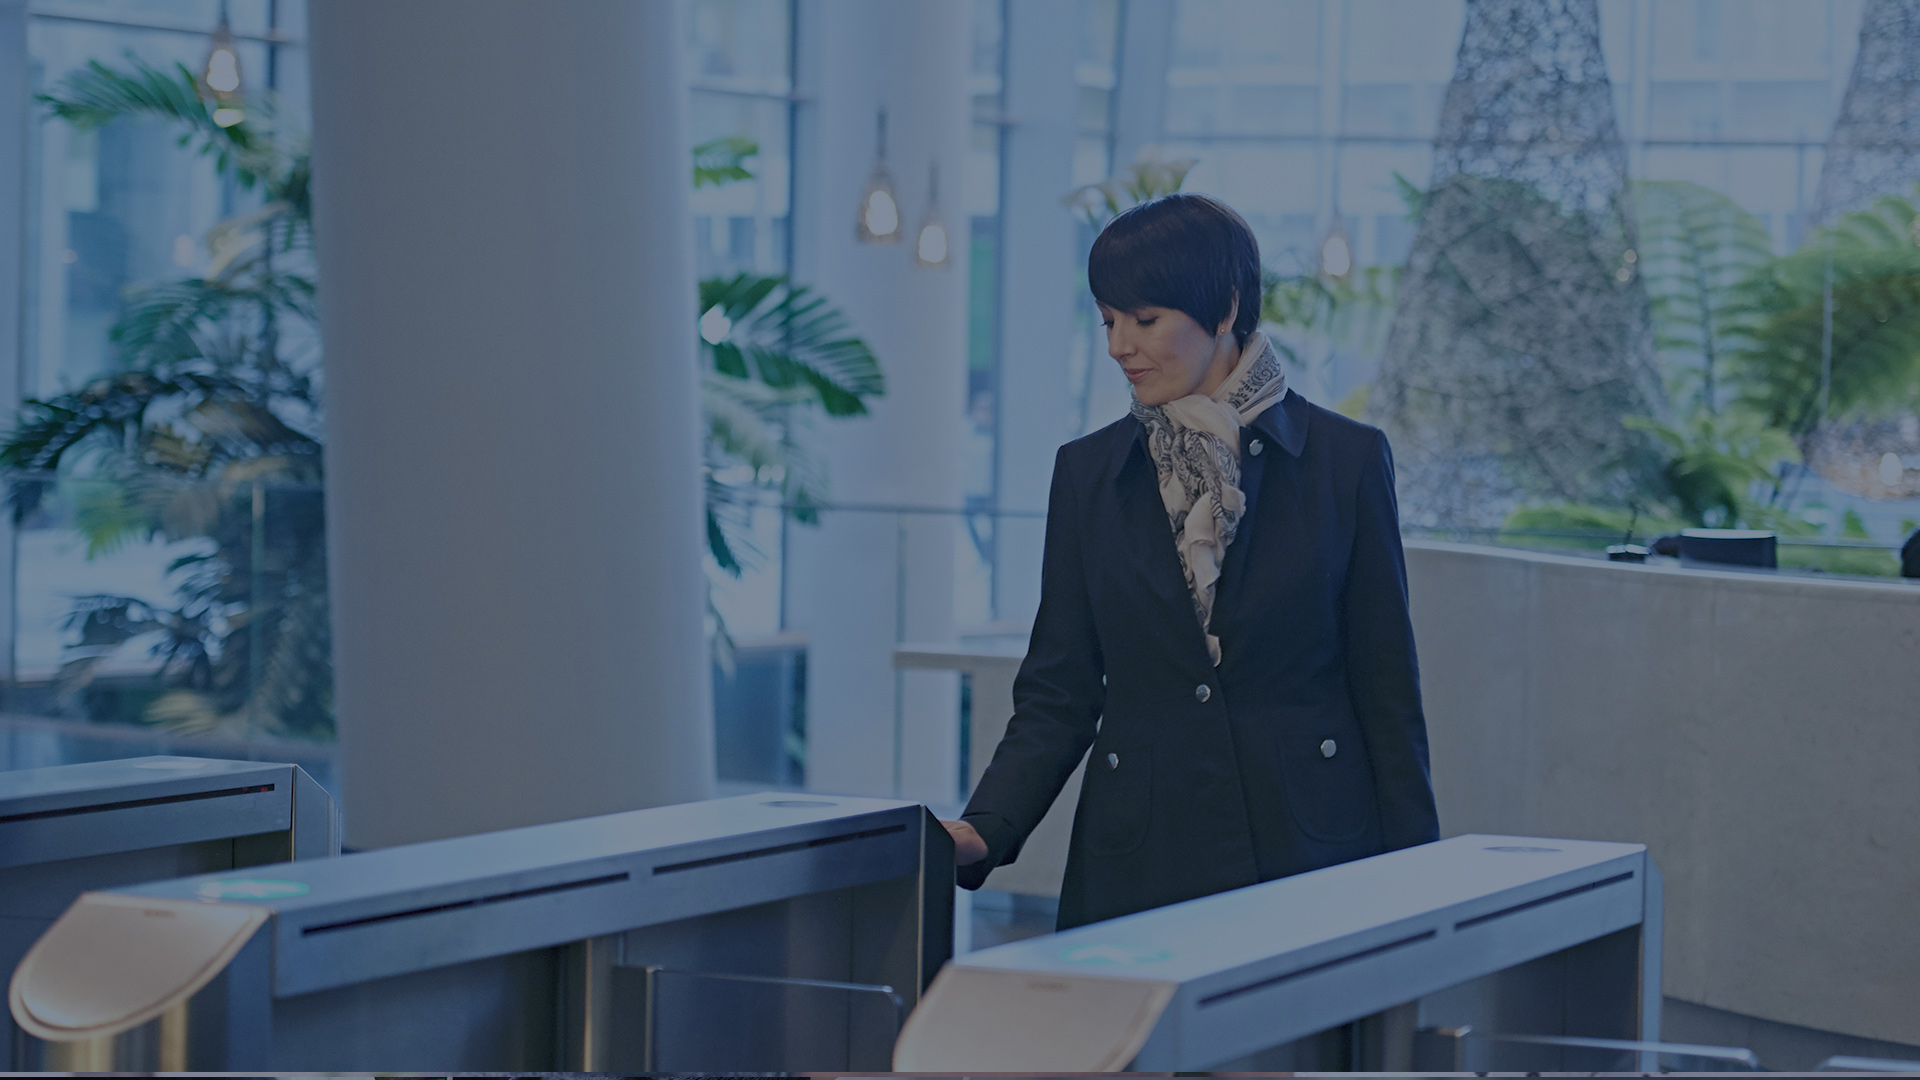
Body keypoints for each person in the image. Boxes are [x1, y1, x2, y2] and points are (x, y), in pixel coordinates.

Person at [942, 193, 1440, 930]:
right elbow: (1059, 691)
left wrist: (1418, 883)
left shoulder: (1347, 462)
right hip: (1141, 858)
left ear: (1227, 306)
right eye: (1110, 321)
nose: (1119, 346)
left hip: (1308, 856)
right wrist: (985, 828)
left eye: (1145, 320)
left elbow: (1386, 693)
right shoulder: (1088, 474)